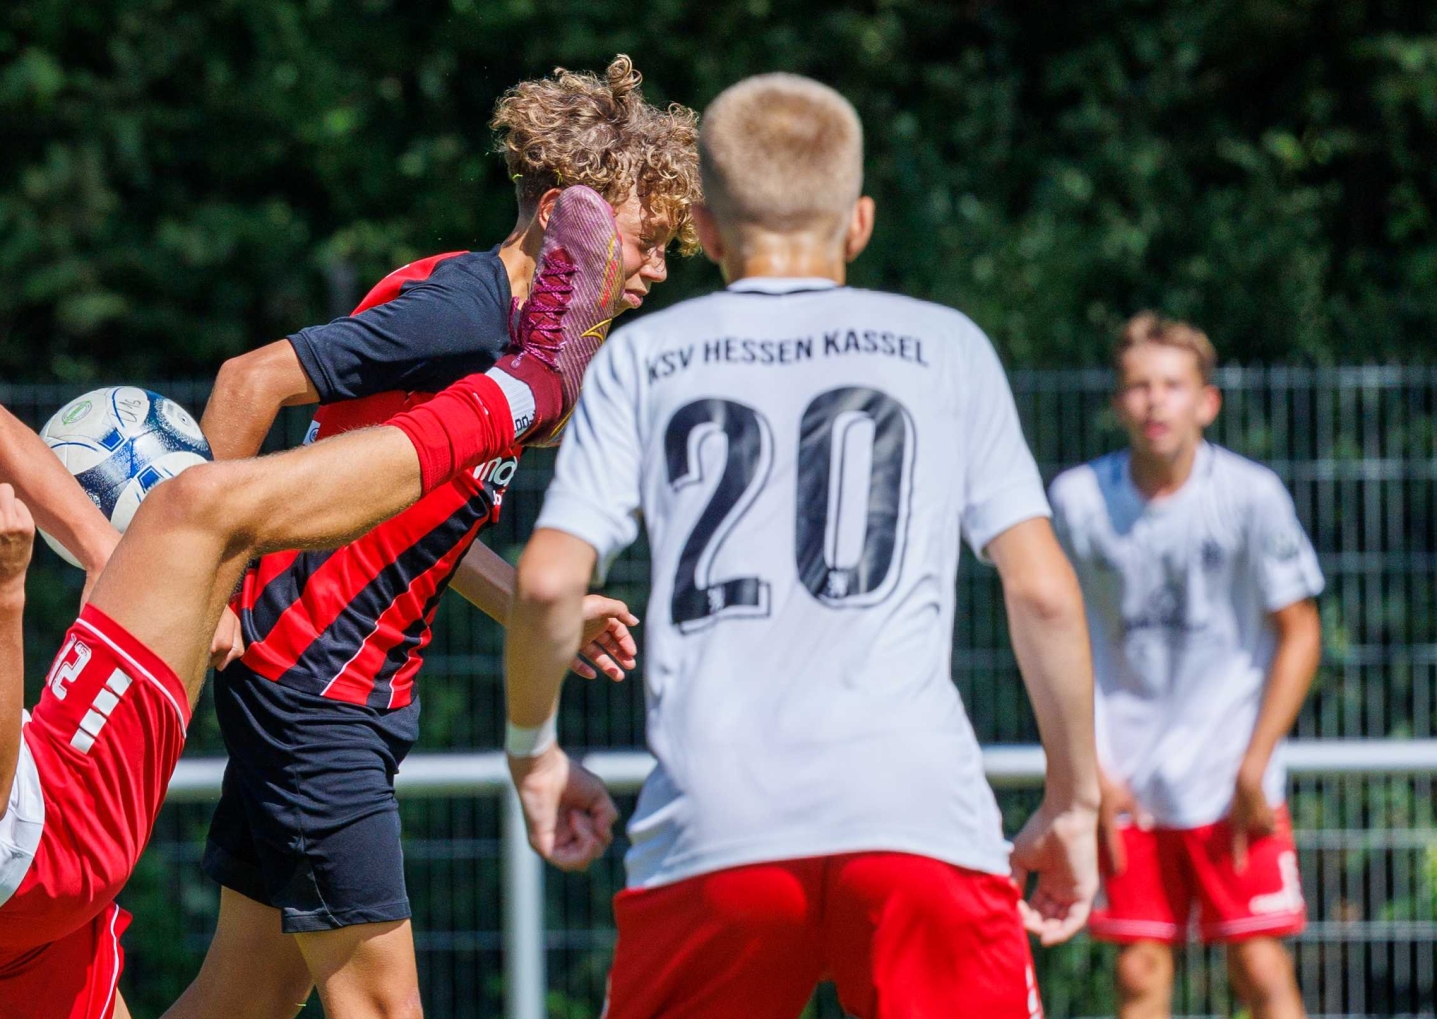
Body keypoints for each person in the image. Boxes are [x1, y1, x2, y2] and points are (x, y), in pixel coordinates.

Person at [0, 209, 618, 1019]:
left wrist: (111, 559)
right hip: (29, 848)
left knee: (248, 993)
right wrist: (1, 588)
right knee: (193, 507)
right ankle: (524, 389)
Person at [501, 73, 1104, 1018]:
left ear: (706, 229)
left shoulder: (644, 357)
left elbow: (546, 586)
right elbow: (1045, 595)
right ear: (859, 223)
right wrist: (1074, 801)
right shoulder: (945, 346)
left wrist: (533, 752)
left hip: (712, 825)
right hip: (918, 818)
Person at [165, 56, 698, 1019]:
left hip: (333, 685)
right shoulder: (459, 313)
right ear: (562, 215)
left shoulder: (525, 351)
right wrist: (204, 591)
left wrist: (537, 606)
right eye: (647, 240)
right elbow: (249, 381)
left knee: (246, 996)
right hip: (314, 688)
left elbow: (409, 522)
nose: (657, 269)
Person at [1051, 314, 1322, 1019]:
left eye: (1173, 385)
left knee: (1259, 963)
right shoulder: (1077, 502)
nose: (1155, 401)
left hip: (1232, 777)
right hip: (1126, 778)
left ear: (1207, 402)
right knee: (1138, 970)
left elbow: (1300, 631)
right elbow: (1055, 636)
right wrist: (1088, 769)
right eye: (1139, 385)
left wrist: (1255, 765)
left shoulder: (1251, 495)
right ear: (1118, 402)